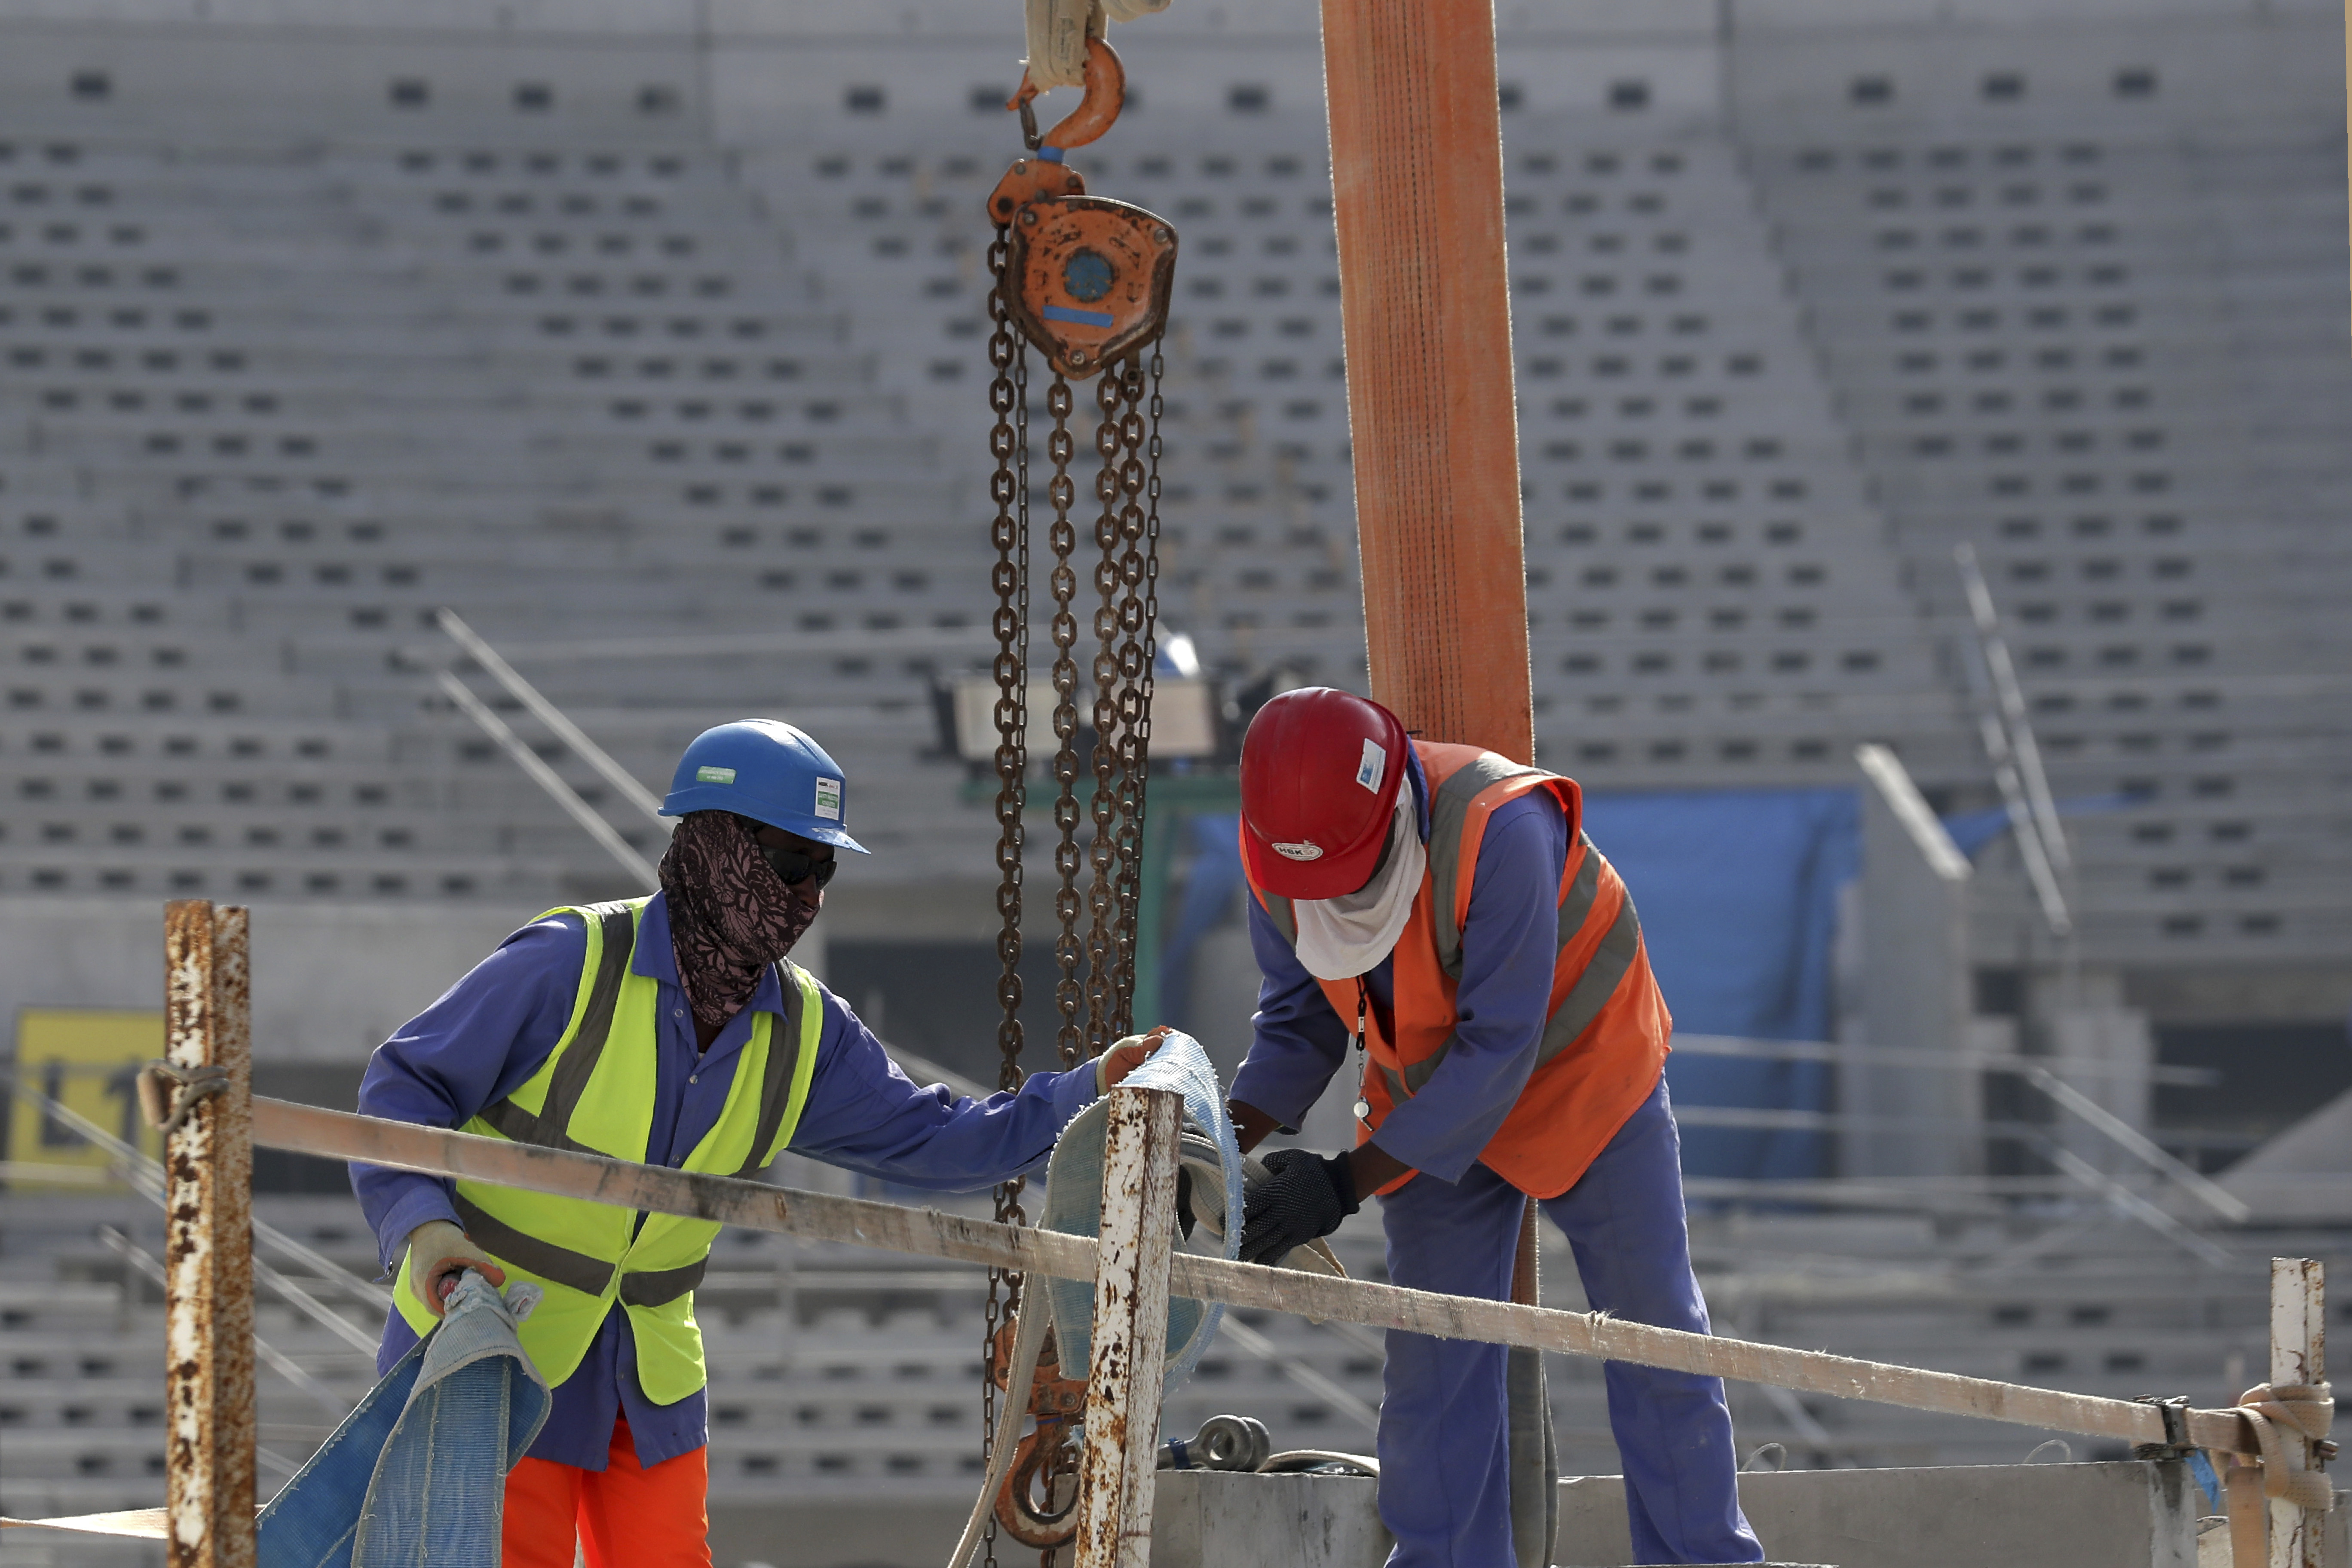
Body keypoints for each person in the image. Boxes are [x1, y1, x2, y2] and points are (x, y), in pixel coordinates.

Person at [351, 718, 1160, 1568]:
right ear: (712, 848)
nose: (807, 894)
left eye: (825, 871)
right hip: (495, 1356)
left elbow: (941, 1139)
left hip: (646, 1381)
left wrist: (1090, 1092)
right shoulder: (568, 968)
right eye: (788, 863)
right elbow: (403, 1086)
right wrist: (423, 1227)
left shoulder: (805, 1032)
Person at [1229, 689, 1763, 1568]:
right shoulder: (1279, 865)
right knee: (1434, 1360)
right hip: (1432, 1096)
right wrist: (1215, 1148)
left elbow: (1500, 1047)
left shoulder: (1500, 827)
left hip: (1586, 1078)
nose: (1328, 897)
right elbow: (1299, 1025)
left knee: (1655, 1338)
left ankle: (1702, 1559)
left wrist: (1340, 1186)